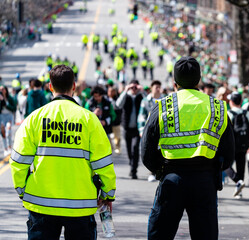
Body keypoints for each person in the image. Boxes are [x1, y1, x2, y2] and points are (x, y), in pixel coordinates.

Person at [10, 65, 116, 239]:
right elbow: (103, 163)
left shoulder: (34, 119)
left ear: (50, 87)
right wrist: (108, 194)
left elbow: (18, 162)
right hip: (80, 205)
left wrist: (23, 191)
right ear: (74, 86)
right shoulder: (90, 120)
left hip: (41, 203)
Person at [142, 57, 235, 239]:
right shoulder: (218, 107)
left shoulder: (162, 106)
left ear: (174, 82)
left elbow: (146, 151)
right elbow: (229, 153)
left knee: (159, 234)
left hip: (171, 179)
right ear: (199, 80)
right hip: (205, 180)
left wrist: (160, 170)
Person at [225, 92, 249, 198]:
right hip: (244, 144)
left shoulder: (229, 113)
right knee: (241, 167)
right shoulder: (247, 113)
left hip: (232, 145)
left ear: (231, 101)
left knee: (225, 165)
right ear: (241, 101)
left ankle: (237, 181)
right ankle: (239, 190)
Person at [116, 80, 143, 179]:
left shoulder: (141, 96)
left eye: (136, 87)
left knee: (135, 148)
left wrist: (142, 91)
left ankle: (134, 170)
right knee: (128, 150)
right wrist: (125, 90)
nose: (134, 89)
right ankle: (132, 164)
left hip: (137, 128)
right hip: (127, 128)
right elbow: (118, 104)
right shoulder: (126, 96)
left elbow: (148, 104)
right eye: (132, 87)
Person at [137, 80, 162, 182]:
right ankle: (152, 171)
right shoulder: (145, 101)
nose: (158, 89)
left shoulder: (165, 100)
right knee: (150, 150)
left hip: (161, 130)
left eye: (159, 87)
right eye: (156, 87)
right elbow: (141, 116)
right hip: (149, 130)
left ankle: (158, 171)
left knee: (159, 150)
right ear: (151, 88)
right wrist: (142, 130)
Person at [0, 86, 16, 156]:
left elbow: (14, 108)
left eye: (3, 89)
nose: (2, 91)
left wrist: (6, 105)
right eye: (0, 90)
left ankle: (9, 147)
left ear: (5, 90)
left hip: (9, 115)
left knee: (8, 131)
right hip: (2, 116)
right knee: (3, 132)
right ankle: (5, 149)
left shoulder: (10, 98)